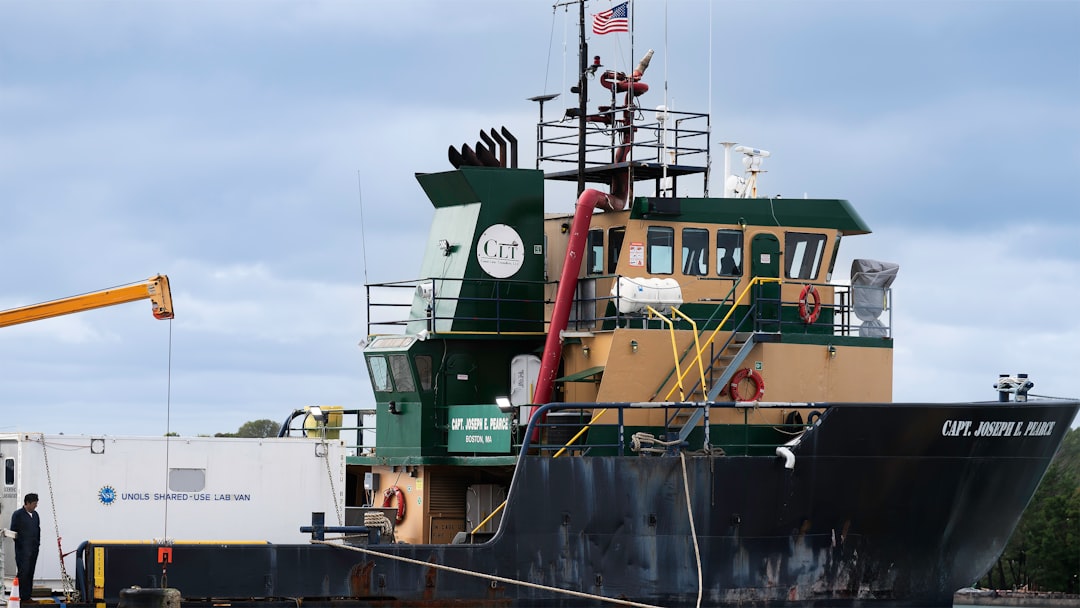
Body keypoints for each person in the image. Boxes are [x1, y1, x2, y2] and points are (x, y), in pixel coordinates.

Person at [10, 493, 41, 603]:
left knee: (30, 572)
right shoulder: (18, 515)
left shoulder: (36, 515)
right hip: (22, 550)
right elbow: (13, 532)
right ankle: (20, 596)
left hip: (33, 549)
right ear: (27, 503)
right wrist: (22, 544)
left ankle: (27, 596)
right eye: (34, 504)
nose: (35, 506)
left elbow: (38, 530)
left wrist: (37, 544)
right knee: (23, 572)